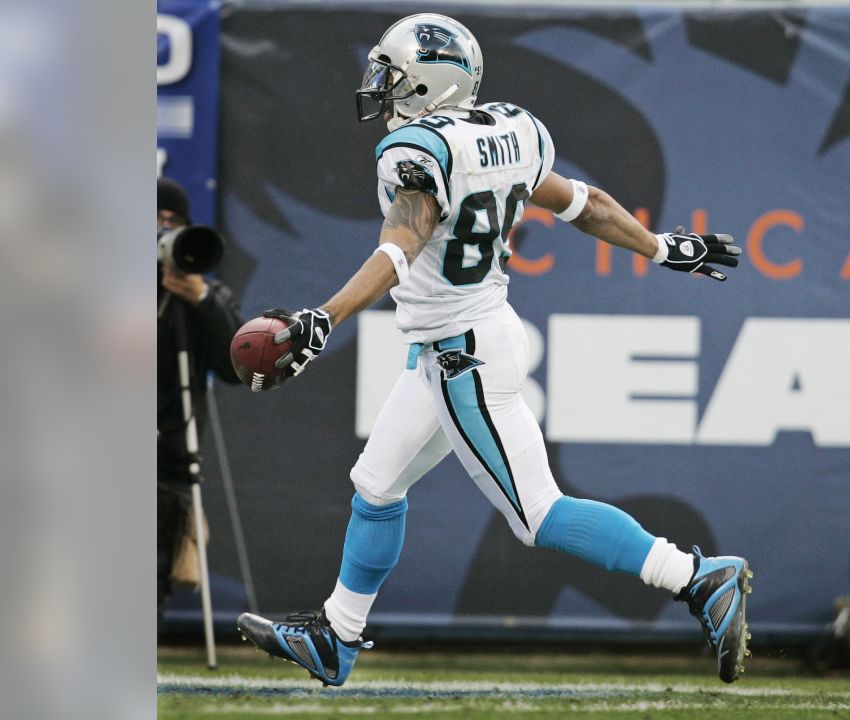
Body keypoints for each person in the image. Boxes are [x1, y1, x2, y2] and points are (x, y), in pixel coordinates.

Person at [235, 14, 750, 685]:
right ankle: (339, 635)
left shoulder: (415, 153)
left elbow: (401, 244)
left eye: (391, 75)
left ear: (427, 83)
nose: (379, 87)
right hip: (464, 338)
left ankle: (697, 576)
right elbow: (582, 203)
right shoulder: (514, 129)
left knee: (538, 514)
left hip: (462, 354)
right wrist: (663, 248)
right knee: (377, 483)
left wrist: (324, 317)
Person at [157, 176, 243, 617]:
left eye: (174, 222)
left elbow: (237, 367)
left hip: (167, 463)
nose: (164, 231)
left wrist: (203, 300)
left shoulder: (204, 295)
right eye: (155, 220)